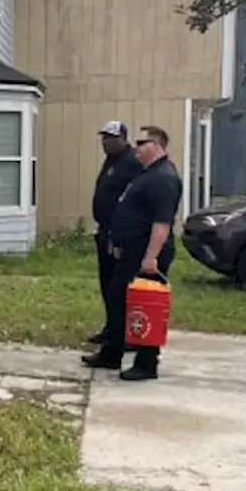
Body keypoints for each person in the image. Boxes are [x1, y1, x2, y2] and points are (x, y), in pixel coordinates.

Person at [84, 125, 183, 381]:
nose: (136, 147)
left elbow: (161, 223)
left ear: (157, 146)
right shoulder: (147, 173)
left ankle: (147, 363)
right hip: (129, 249)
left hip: (145, 253)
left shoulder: (164, 177)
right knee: (118, 300)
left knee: (145, 306)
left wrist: (151, 258)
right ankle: (111, 354)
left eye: (142, 142)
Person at [87, 121, 143, 345]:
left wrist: (119, 233)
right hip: (104, 230)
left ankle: (126, 334)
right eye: (104, 138)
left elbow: (131, 201)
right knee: (107, 283)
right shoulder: (111, 161)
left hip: (119, 234)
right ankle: (111, 328)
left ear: (123, 139)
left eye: (111, 138)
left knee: (120, 287)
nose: (106, 142)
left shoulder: (131, 162)